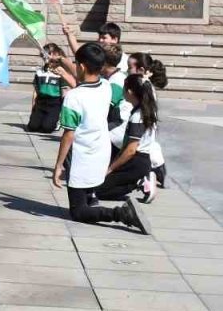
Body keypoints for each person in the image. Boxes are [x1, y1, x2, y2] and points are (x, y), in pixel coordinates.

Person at [51, 43, 150, 233]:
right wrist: (66, 66)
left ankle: (121, 214)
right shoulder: (106, 86)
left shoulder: (73, 97)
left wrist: (59, 165)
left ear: (81, 67)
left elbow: (69, 134)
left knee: (79, 212)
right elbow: (87, 85)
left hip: (83, 157)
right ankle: (91, 198)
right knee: (88, 194)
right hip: (102, 152)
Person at [92, 74, 161, 203]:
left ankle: (140, 181)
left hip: (136, 162)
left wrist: (111, 168)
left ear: (129, 91)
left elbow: (130, 150)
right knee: (101, 185)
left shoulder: (138, 116)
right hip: (140, 160)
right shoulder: (147, 110)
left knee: (97, 191)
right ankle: (136, 181)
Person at [128, 52, 169, 188]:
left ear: (141, 70)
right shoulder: (146, 86)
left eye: (130, 67)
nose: (127, 70)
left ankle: (149, 175)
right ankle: (156, 168)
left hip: (140, 146)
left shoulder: (143, 88)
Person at [27, 43, 75, 133]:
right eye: (46, 57)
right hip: (41, 101)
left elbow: (65, 91)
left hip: (54, 102)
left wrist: (62, 112)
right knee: (32, 127)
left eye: (53, 59)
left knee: (47, 128)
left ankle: (56, 121)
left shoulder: (61, 73)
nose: (49, 61)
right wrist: (33, 106)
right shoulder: (40, 72)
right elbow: (36, 91)